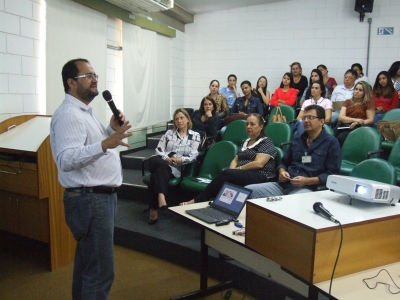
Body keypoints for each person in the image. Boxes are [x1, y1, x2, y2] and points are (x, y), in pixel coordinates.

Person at [50, 58, 133, 300]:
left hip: (96, 199)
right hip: (91, 201)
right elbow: (66, 159)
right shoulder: (69, 115)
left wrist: (109, 131)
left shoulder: (84, 112)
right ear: (71, 83)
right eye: (88, 75)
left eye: (95, 74)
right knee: (100, 272)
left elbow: (91, 147)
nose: (95, 79)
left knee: (88, 265)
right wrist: (107, 142)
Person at [179, 113, 276, 205]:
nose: (248, 127)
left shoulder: (266, 142)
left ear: (261, 127)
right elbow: (236, 160)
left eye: (252, 124)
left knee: (227, 174)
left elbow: (259, 163)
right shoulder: (245, 141)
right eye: (247, 124)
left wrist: (237, 170)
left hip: (260, 174)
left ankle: (197, 200)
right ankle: (213, 204)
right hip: (243, 173)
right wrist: (232, 170)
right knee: (227, 172)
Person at [246, 105, 341, 198]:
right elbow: (283, 163)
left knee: (289, 202)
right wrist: (282, 172)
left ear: (321, 121)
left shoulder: (331, 143)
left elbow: (332, 174)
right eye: (304, 118)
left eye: (311, 117)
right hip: (284, 185)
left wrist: (307, 181)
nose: (306, 121)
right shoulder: (297, 140)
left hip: (308, 188)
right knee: (248, 190)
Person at [146, 108, 200, 224]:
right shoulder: (169, 133)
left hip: (175, 168)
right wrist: (166, 158)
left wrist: (180, 159)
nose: (179, 121)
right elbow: (159, 149)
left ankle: (154, 208)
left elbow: (194, 155)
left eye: (181, 118)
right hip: (161, 161)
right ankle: (161, 197)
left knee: (155, 176)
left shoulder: (195, 135)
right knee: (157, 161)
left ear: (187, 120)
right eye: (176, 119)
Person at [335, 81, 375, 147]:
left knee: (341, 137)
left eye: (360, 90)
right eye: (356, 89)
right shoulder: (347, 102)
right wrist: (356, 120)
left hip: (358, 127)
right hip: (344, 125)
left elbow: (370, 120)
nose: (357, 91)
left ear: (365, 93)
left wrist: (358, 122)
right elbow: (341, 117)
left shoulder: (368, 103)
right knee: (331, 136)